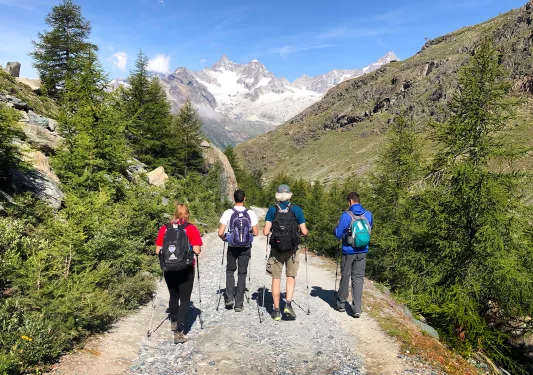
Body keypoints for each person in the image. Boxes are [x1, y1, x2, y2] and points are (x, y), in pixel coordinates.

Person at [155, 203, 202, 344]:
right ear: (187, 214)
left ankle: (173, 322)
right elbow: (197, 250)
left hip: (169, 268)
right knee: (185, 298)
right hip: (186, 268)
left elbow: (158, 250)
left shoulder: (165, 228)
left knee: (173, 295)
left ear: (174, 213)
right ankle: (179, 332)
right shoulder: (191, 228)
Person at [263, 184, 308, 321]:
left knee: (276, 279)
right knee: (290, 277)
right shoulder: (296, 209)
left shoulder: (272, 209)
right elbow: (304, 231)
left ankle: (276, 311)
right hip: (292, 250)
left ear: (278, 195)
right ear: (289, 194)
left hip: (276, 250)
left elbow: (265, 232)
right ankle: (288, 304)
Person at [218, 189, 259, 312]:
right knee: (242, 273)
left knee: (230, 271)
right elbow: (256, 232)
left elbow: (220, 233)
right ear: (244, 198)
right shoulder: (250, 213)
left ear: (234, 198)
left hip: (232, 246)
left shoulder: (228, 212)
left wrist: (226, 238)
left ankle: (229, 298)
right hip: (245, 247)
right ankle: (239, 303)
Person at [334, 192, 373, 318]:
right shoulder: (368, 215)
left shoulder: (346, 215)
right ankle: (357, 308)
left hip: (348, 251)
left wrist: (337, 228)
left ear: (350, 201)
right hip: (362, 251)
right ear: (359, 201)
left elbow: (338, 234)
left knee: (345, 276)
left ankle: (341, 304)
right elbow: (369, 230)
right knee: (358, 278)